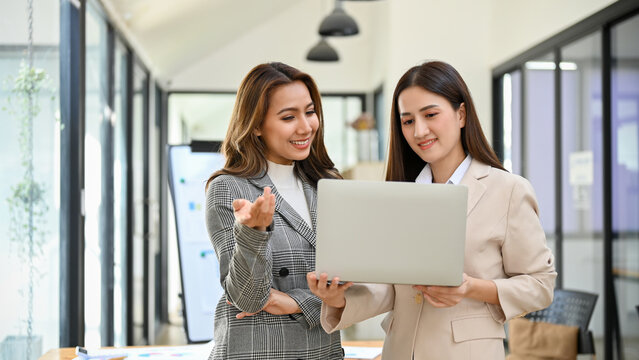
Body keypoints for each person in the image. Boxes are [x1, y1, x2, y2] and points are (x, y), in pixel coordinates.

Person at [307, 61, 557, 360]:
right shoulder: (400, 193)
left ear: (461, 114)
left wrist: (471, 288)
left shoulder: (508, 190)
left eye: (430, 115)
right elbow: (392, 289)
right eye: (408, 120)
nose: (419, 130)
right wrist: (338, 298)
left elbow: (540, 285)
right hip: (400, 351)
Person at [205, 62, 343, 359]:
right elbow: (248, 298)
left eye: (309, 112)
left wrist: (294, 302)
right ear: (255, 125)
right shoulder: (230, 189)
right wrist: (254, 234)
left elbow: (354, 288)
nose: (306, 127)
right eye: (288, 117)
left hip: (322, 351)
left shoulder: (329, 185)